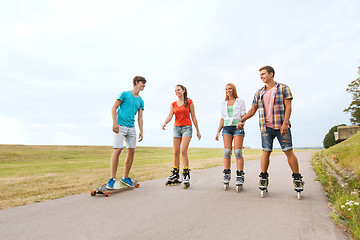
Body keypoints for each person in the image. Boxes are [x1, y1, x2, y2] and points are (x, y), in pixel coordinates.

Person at [236, 66, 304, 193]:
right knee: (266, 152)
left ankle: (297, 178)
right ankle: (263, 177)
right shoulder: (259, 92)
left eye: (263, 74)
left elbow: (288, 107)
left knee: (288, 151)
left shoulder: (283, 88)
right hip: (266, 127)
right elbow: (252, 110)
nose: (261, 76)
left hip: (281, 126)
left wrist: (285, 123)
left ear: (271, 74)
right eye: (260, 75)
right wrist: (242, 120)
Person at [106, 76, 146, 189]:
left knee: (131, 151)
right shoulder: (124, 94)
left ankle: (125, 177)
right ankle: (112, 179)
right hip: (120, 126)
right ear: (137, 82)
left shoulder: (141, 101)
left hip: (131, 128)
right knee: (118, 150)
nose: (144, 85)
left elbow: (140, 117)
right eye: (143, 83)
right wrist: (115, 123)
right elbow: (113, 108)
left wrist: (141, 130)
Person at [162, 85, 201, 188]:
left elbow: (193, 117)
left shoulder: (189, 102)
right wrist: (165, 122)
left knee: (183, 151)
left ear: (183, 91)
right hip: (176, 129)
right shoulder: (173, 104)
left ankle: (186, 173)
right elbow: (170, 115)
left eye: (178, 90)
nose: (177, 92)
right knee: (176, 152)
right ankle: (175, 173)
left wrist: (197, 130)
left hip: (187, 128)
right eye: (175, 90)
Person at [215, 83, 247, 191]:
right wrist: (218, 131)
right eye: (226, 89)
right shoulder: (224, 103)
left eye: (230, 89)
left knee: (238, 152)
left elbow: (244, 115)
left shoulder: (240, 101)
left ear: (233, 90)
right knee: (227, 152)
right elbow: (222, 118)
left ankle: (239, 175)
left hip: (238, 127)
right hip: (227, 128)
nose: (228, 90)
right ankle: (227, 173)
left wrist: (242, 123)